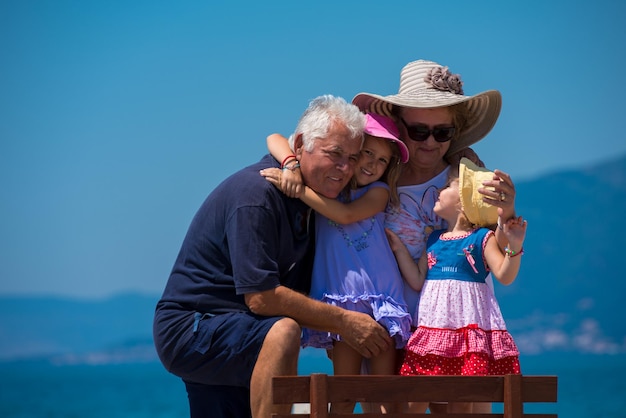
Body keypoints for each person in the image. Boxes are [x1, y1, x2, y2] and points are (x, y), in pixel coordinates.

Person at [152, 95, 393, 418]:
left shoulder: (313, 202)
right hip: (195, 327)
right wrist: (345, 322)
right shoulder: (257, 194)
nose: (346, 168)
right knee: (283, 331)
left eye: (352, 157)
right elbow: (262, 298)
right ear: (300, 145)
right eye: (335, 154)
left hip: (240, 331)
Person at [352, 59, 518, 414]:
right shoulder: (376, 173)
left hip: (458, 327)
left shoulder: (469, 178)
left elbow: (495, 248)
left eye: (441, 132)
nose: (430, 141)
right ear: (398, 125)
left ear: (454, 132)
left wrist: (506, 213)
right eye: (419, 130)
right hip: (392, 321)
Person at [260, 113, 412, 414]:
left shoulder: (378, 192)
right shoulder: (329, 186)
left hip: (382, 298)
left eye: (382, 160)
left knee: (383, 394)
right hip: (342, 303)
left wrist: (300, 190)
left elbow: (344, 216)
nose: (372, 164)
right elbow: (273, 138)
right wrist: (291, 165)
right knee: (343, 393)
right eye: (367, 153)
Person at [387, 158, 526, 414]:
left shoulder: (482, 238)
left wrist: (514, 248)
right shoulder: (433, 239)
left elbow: (504, 275)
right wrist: (398, 249)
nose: (439, 190)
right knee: (416, 397)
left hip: (466, 337)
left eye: (448, 186)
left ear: (464, 202)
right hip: (432, 333)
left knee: (462, 401)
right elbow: (418, 279)